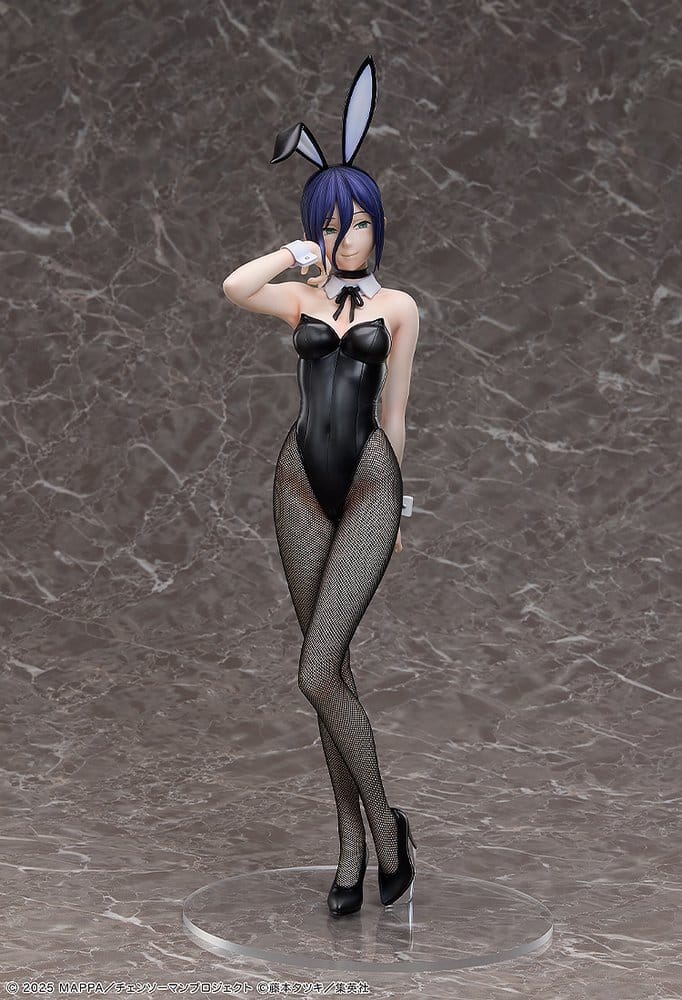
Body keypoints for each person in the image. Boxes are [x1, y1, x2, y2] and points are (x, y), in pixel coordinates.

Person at [222, 57, 419, 918]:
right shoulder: (299, 300)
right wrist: (293, 252)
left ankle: (386, 829)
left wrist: (400, 509)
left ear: (378, 225)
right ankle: (354, 846)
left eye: (358, 223)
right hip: (298, 480)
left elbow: (397, 416)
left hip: (369, 481)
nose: (347, 239)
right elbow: (234, 288)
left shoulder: (399, 308)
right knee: (327, 670)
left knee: (316, 670)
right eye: (332, 226)